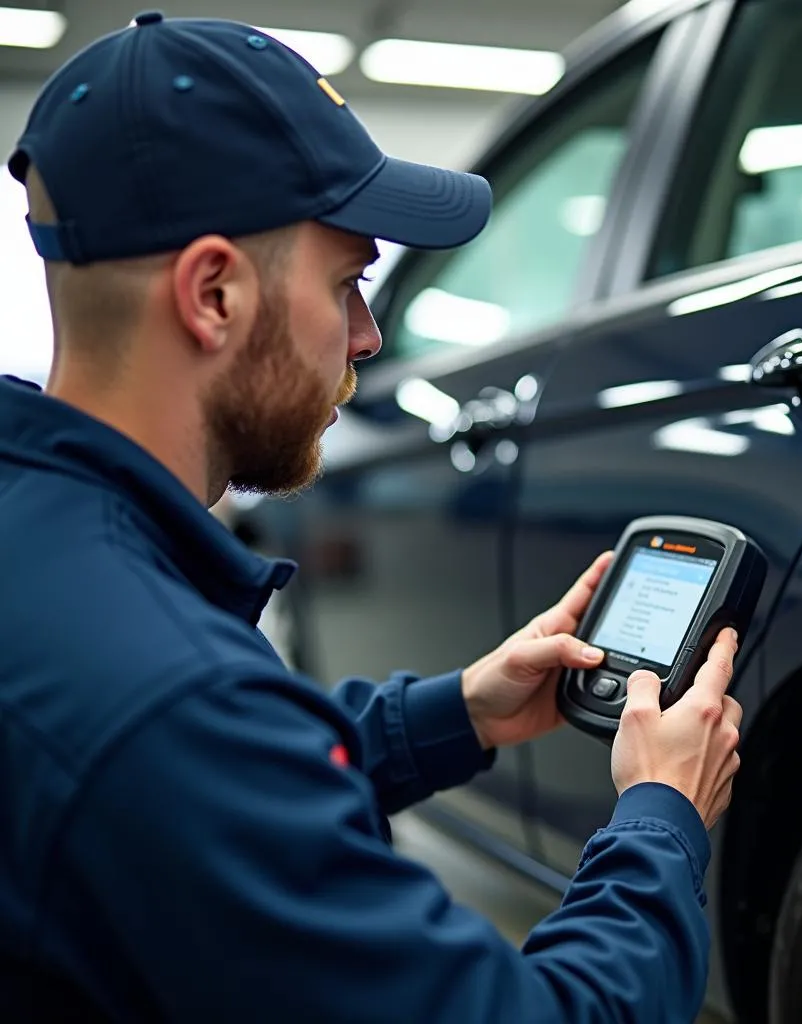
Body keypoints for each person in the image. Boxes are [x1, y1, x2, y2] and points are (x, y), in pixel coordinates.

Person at [0, 12, 742, 1023]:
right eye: (346, 282)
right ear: (212, 293)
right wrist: (660, 817)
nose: (368, 334)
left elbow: (210, 790)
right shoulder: (165, 700)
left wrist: (458, 711)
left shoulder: (47, 543)